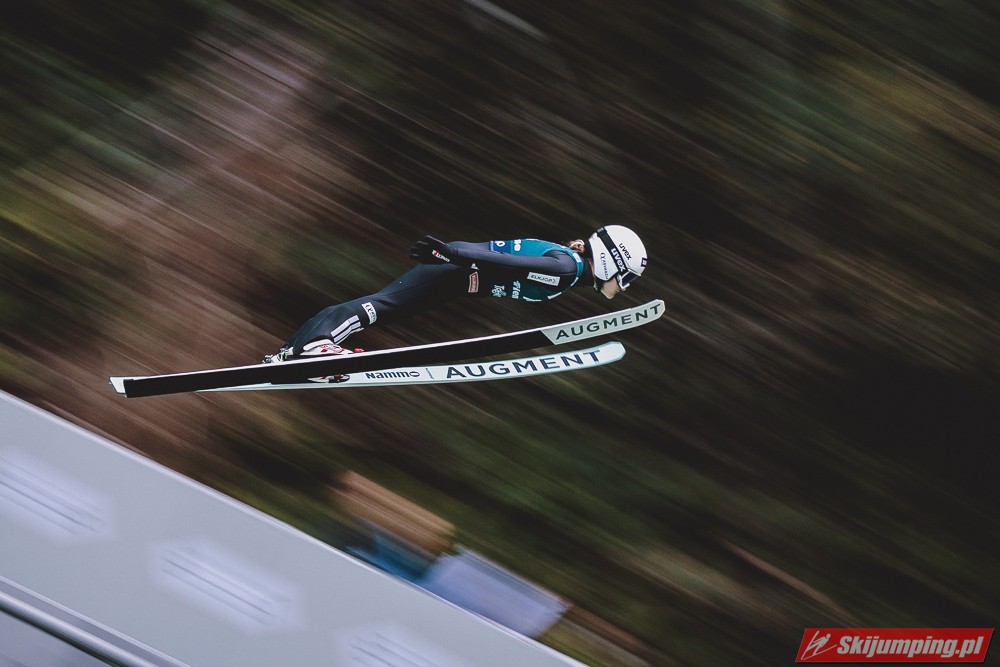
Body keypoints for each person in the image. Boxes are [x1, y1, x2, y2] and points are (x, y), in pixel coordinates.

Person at [264, 225, 647, 376]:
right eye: (626, 277)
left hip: (459, 278)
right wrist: (454, 255)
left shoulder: (570, 270)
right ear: (613, 261)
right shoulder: (566, 268)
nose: (623, 287)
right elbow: (510, 262)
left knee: (381, 308)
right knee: (379, 307)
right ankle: (316, 347)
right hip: (457, 270)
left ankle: (291, 353)